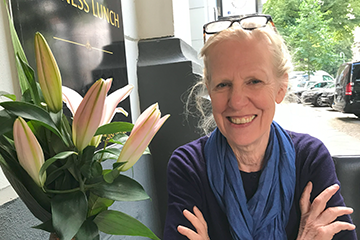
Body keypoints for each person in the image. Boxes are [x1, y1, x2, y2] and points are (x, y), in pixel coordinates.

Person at [163, 14, 357, 240]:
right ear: (209, 90)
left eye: (254, 81)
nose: (236, 101)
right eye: (223, 84)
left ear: (280, 87)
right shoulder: (189, 166)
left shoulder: (310, 159)